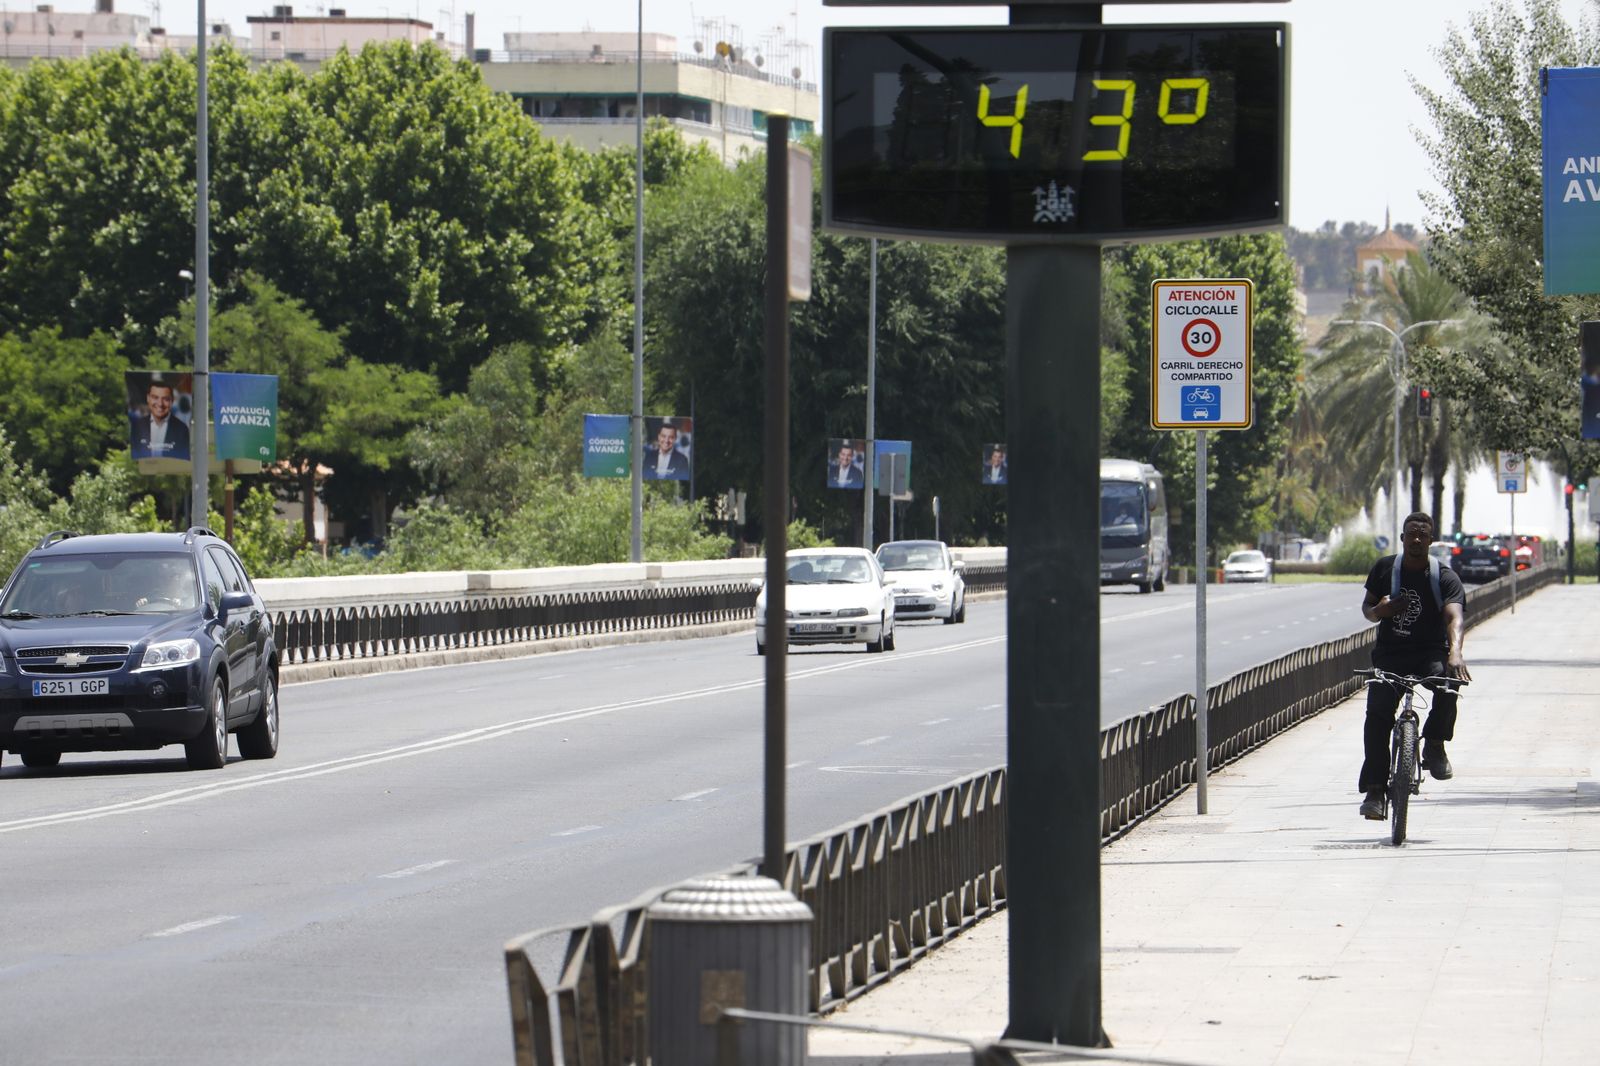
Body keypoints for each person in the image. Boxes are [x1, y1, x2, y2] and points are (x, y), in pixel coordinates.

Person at [1357, 511, 1471, 820]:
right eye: (1412, 533)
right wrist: (1382, 610)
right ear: (1403, 538)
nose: (1417, 538)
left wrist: (1455, 653)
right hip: (1391, 654)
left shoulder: (1444, 576)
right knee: (1378, 712)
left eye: (1423, 534)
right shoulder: (1384, 569)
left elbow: (1454, 617)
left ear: (1431, 540)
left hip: (1429, 653)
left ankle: (1434, 743)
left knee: (1450, 684)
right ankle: (1376, 790)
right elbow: (1367, 609)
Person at [130, 380, 191, 460]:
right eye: (155, 397)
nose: (160, 403)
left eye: (165, 399)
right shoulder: (137, 427)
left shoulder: (182, 429)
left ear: (171, 401)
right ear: (148, 398)